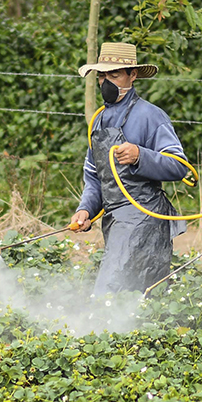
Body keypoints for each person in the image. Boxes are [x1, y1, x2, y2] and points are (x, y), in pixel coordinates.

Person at [70, 42, 191, 295]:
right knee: (133, 296)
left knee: (112, 293)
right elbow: (94, 178)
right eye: (101, 76)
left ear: (132, 75)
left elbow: (179, 166)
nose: (106, 83)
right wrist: (85, 210)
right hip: (115, 221)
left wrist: (140, 156)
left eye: (114, 75)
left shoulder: (150, 116)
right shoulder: (98, 120)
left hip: (145, 219)